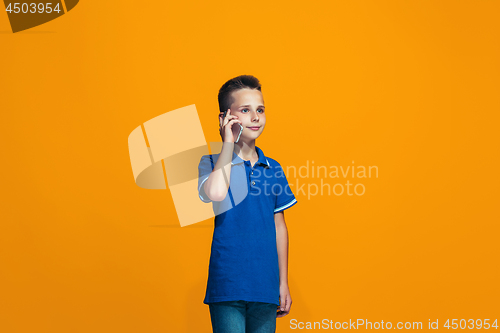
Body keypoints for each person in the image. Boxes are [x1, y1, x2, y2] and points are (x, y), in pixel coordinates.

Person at [197, 75, 298, 333]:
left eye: (260, 110)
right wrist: (227, 144)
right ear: (225, 118)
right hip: (227, 283)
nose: (255, 117)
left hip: (265, 285)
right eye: (245, 110)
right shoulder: (210, 162)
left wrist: (283, 282)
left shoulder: (273, 168)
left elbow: (280, 227)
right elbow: (217, 193)